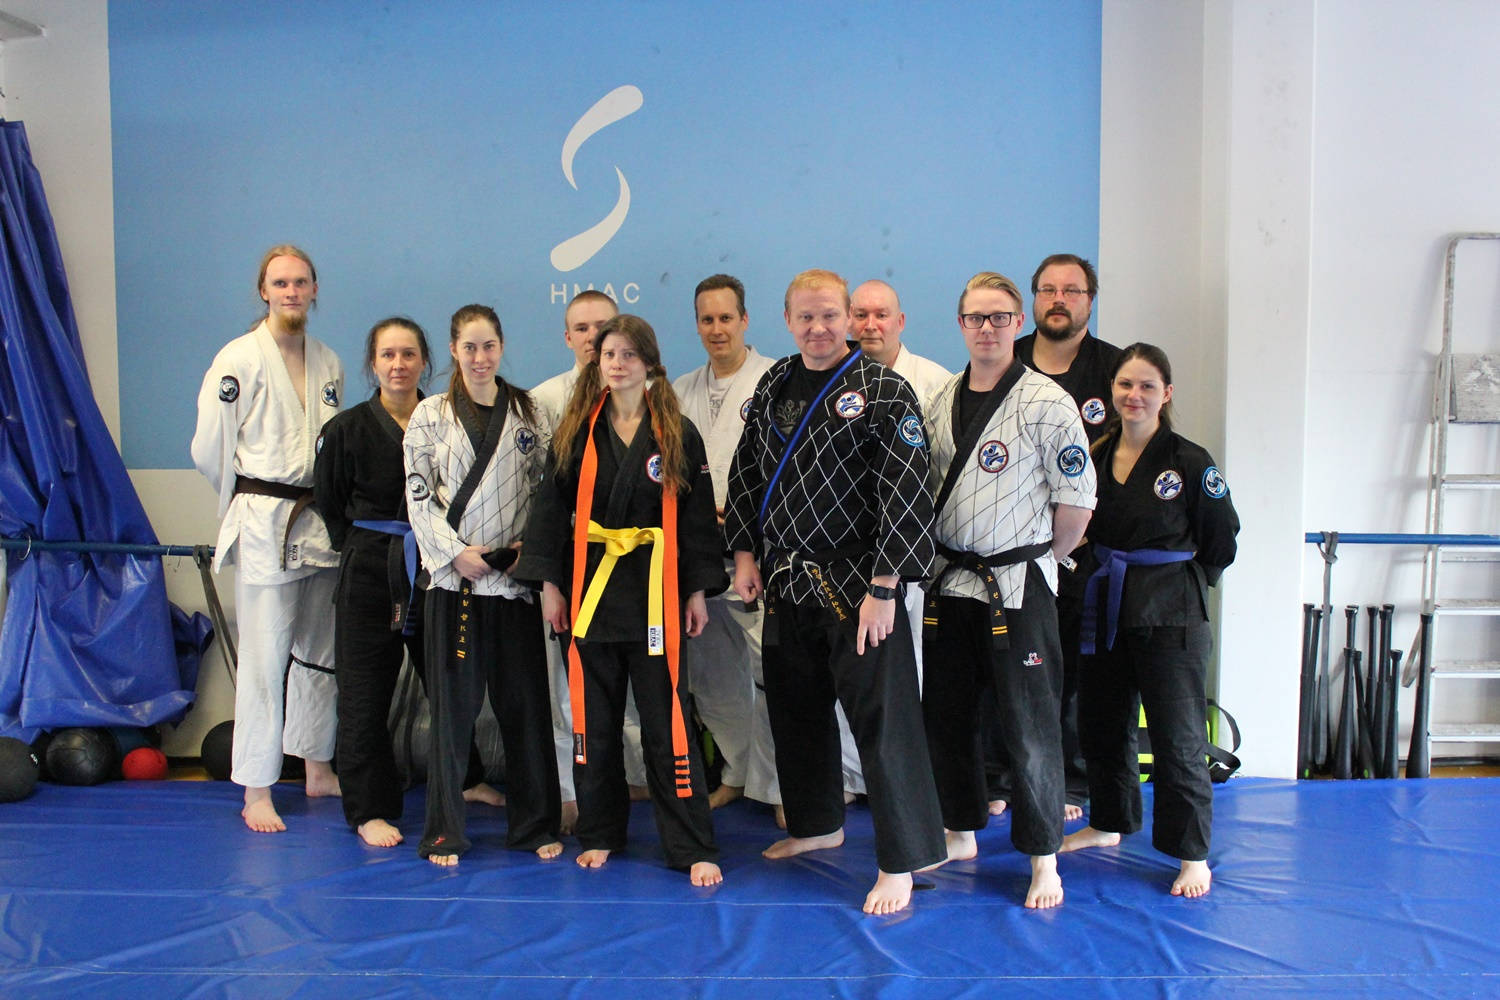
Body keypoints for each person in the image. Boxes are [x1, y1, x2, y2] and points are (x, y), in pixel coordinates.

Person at [724, 268, 945, 915]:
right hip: (788, 576)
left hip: (859, 583)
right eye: (805, 317)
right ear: (787, 321)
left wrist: (886, 585)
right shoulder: (775, 383)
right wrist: (744, 552)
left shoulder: (883, 389)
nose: (818, 328)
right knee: (795, 707)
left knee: (884, 721)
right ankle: (818, 824)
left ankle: (904, 858)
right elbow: (746, 471)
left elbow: (908, 492)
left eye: (829, 316)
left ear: (849, 318)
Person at [517, 314, 725, 887]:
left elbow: (697, 517)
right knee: (594, 722)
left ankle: (689, 843)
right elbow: (550, 516)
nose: (618, 362)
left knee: (669, 723)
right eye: (610, 352)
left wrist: (698, 590)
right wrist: (551, 587)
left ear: (650, 363)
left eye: (631, 354)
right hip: (591, 594)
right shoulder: (575, 433)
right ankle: (600, 832)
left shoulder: (678, 432)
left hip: (657, 594)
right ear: (596, 360)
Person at [919, 272, 1095, 909]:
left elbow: (1075, 504)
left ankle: (1043, 855)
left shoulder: (1048, 401)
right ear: (961, 324)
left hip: (1019, 584)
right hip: (951, 582)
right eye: (975, 318)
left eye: (999, 317)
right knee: (948, 713)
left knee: (1029, 723)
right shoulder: (939, 399)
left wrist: (1041, 561)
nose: (987, 328)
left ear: (1018, 323)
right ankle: (961, 827)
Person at [313, 317, 502, 849]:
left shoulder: (447, 422)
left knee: (450, 679)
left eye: (408, 355)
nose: (398, 365)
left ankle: (467, 778)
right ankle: (370, 808)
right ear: (372, 363)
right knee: (364, 691)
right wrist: (366, 550)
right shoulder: (346, 429)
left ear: (426, 361)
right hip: (371, 565)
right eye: (388, 355)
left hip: (436, 566)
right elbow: (329, 504)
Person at [1060, 343, 1239, 898]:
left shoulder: (1189, 459)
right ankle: (1109, 820)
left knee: (1177, 735)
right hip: (1103, 604)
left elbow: (1221, 540)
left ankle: (1192, 855)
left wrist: (1176, 581)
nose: (1133, 395)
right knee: (1102, 721)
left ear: (1167, 393)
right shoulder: (1093, 451)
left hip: (1170, 614)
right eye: (1124, 385)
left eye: (1145, 386)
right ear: (1112, 392)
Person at [190, 244, 342, 834]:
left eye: (301, 282)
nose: (291, 292)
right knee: (264, 655)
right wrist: (241, 503)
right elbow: (209, 446)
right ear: (263, 290)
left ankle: (317, 766)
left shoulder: (327, 359)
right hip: (263, 517)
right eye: (280, 283)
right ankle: (256, 785)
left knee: (318, 651)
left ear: (314, 290)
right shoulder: (238, 358)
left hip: (316, 516)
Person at [403, 305, 562, 866]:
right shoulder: (429, 414)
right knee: (452, 713)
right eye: (469, 347)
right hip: (456, 583)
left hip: (514, 582)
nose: (480, 357)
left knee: (525, 708)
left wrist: (529, 552)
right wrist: (454, 555)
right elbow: (418, 496)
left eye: (489, 346)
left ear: (501, 346)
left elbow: (546, 488)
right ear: (453, 349)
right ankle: (444, 832)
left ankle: (535, 825)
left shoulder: (528, 410)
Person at [1011, 254, 1123, 820]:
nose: (1059, 299)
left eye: (1072, 290)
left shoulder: (1113, 369)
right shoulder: (1005, 361)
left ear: (1090, 299)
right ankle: (1005, 775)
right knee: (1007, 669)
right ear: (1033, 299)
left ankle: (1072, 782)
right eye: (1048, 289)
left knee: (1073, 676)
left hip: (1086, 555)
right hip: (1011, 554)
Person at [532, 290, 648, 828]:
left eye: (603, 329)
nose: (594, 340)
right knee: (571, 692)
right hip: (579, 571)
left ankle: (635, 780)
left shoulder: (653, 403)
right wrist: (549, 577)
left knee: (639, 693)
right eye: (583, 330)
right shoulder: (545, 402)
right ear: (570, 337)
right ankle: (571, 793)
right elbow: (547, 500)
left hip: (643, 574)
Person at [671, 275, 777, 811]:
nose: (717, 329)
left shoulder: (775, 380)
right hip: (699, 557)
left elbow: (789, 472)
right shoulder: (678, 390)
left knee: (772, 674)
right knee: (713, 678)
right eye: (707, 320)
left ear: (745, 320)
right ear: (697, 325)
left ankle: (783, 787)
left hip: (756, 553)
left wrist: (737, 512)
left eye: (726, 318)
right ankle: (737, 772)